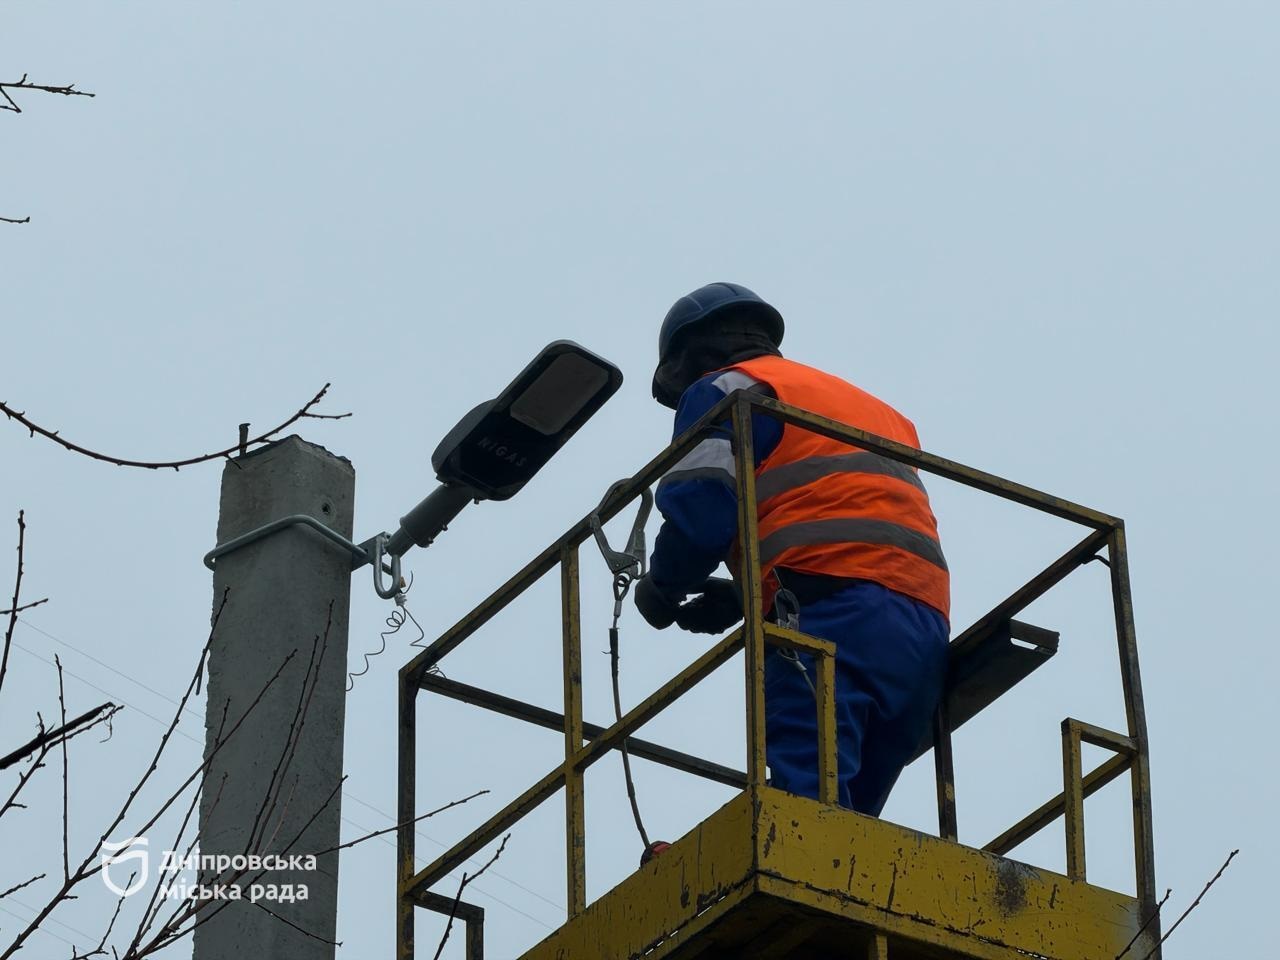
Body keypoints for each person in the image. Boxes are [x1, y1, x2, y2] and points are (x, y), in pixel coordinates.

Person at [633, 282, 950, 816]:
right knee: (853, 825)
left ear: (691, 355)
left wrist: (663, 586)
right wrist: (745, 598)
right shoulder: (866, 406)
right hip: (920, 623)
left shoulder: (726, 387)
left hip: (824, 614)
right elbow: (844, 514)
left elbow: (701, 511)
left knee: (809, 812)